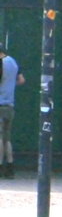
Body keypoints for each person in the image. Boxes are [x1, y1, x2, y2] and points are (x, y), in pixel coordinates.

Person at [0, 47, 25, 179]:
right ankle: (10, 166)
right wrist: (9, 85)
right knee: (7, 138)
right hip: (9, 104)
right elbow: (21, 80)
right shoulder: (13, 62)